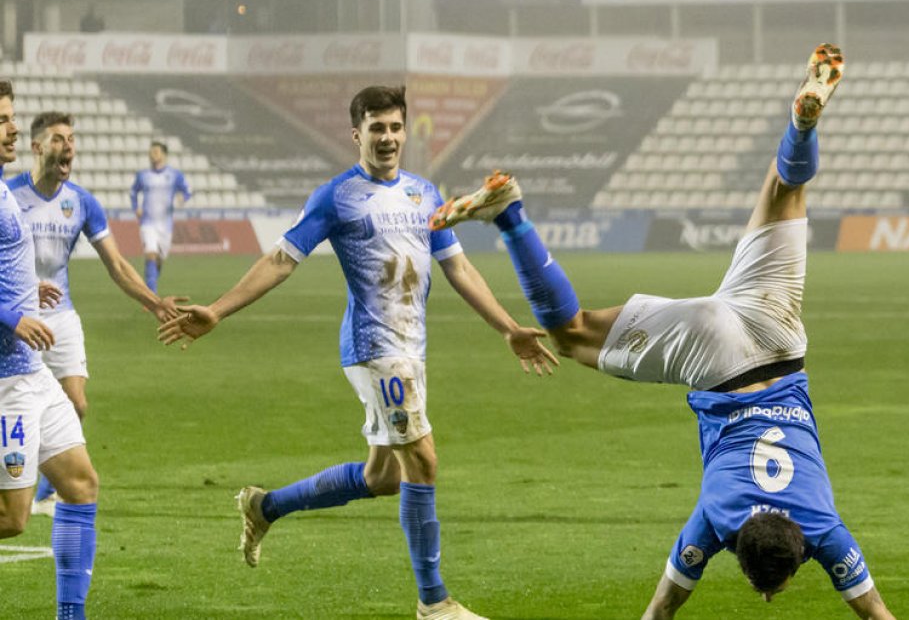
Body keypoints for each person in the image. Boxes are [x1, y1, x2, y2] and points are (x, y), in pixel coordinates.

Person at [431, 44, 895, 619]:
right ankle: (509, 215)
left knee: (785, 190)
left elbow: (878, 614)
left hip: (780, 334)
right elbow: (659, 612)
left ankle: (801, 128)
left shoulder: (823, 528)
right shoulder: (717, 518)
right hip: (719, 357)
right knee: (572, 335)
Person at [157, 85, 556, 620]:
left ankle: (265, 506)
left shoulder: (423, 194)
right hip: (374, 347)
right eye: (376, 129)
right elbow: (281, 259)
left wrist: (507, 328)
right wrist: (218, 310)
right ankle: (434, 603)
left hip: (411, 348)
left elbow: (458, 267)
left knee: (383, 478)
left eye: (395, 128)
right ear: (356, 134)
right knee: (423, 461)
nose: (388, 138)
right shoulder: (337, 196)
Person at [7, 111, 181, 514]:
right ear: (36, 147)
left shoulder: (82, 202)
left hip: (61, 314)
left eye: (71, 139)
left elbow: (116, 264)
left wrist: (155, 303)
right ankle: (24, 485)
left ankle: (46, 491)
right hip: (17, 316)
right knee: (19, 406)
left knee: (77, 405)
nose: (68, 146)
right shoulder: (9, 196)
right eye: (58, 139)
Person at [0, 80, 100, 620]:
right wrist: (13, 314)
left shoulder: (2, 190)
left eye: (12, 117)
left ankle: (70, 616)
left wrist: (25, 292)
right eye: (2, 120)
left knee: (80, 484)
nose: (14, 128)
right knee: (12, 518)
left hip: (32, 372)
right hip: (5, 381)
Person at [130, 141, 191, 293]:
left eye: (156, 152)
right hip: (147, 222)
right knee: (150, 253)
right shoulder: (143, 175)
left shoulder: (175, 175)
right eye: (151, 152)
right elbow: (133, 192)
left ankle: (150, 284)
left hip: (166, 225)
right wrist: (136, 207)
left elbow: (187, 191)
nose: (152, 155)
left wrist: (182, 198)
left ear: (164, 155)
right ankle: (151, 295)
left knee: (159, 259)